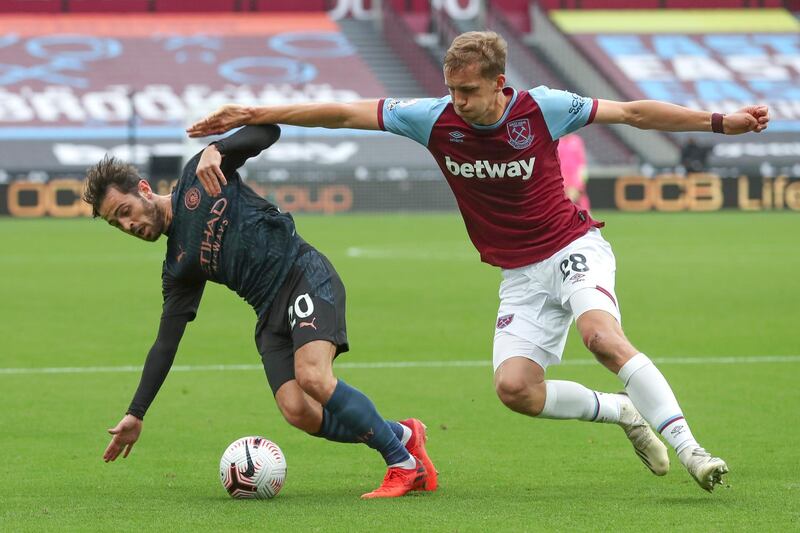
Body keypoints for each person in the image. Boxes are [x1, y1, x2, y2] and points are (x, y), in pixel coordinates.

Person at [186, 31, 770, 493]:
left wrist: (721, 122)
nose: (457, 103)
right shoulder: (433, 118)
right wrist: (257, 110)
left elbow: (635, 114)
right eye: (452, 90)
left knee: (601, 337)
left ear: (499, 83)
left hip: (572, 248)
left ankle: (693, 448)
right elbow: (342, 112)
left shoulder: (545, 108)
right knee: (515, 390)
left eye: (468, 92)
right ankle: (622, 411)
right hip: (518, 274)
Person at [85, 124, 437, 499]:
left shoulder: (197, 177)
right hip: (269, 312)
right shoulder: (178, 267)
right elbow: (165, 344)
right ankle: (402, 434)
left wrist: (217, 149)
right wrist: (136, 413)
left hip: (303, 274)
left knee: (313, 376)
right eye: (115, 223)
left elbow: (267, 131)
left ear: (142, 190)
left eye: (125, 211)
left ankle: (402, 465)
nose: (127, 225)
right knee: (297, 410)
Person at [556, 133, 590, 211]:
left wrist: (582, 171)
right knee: (567, 197)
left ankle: (586, 213)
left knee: (580, 195)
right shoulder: (558, 142)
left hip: (575, 174)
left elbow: (581, 158)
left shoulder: (577, 141)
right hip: (563, 174)